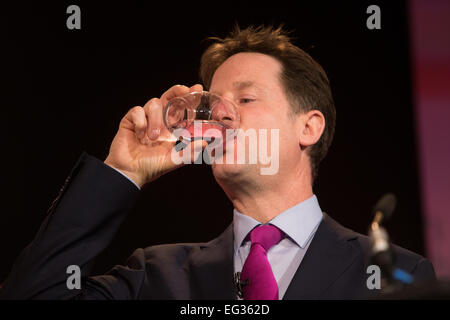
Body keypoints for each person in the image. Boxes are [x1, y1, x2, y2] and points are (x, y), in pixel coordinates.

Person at [0, 25, 435, 300]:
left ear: (309, 127)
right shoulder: (156, 276)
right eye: (215, 105)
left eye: (245, 98)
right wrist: (123, 171)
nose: (220, 114)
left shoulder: (395, 276)